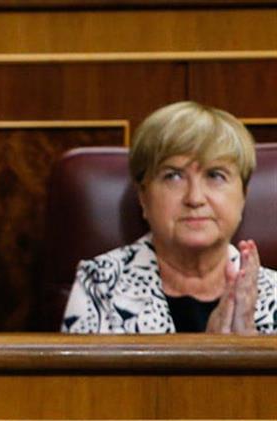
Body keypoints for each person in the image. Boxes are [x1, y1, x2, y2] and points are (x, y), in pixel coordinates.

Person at [62, 101, 277, 334]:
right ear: (144, 197)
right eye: (173, 176)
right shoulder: (100, 284)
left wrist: (253, 354)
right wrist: (213, 354)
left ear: (243, 195)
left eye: (215, 175)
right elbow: (80, 372)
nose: (195, 198)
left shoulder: (272, 293)